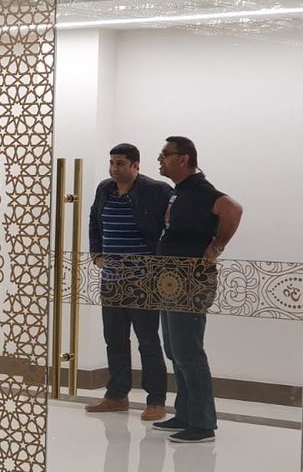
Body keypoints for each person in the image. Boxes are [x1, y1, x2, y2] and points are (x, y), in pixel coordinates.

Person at [152, 136, 242, 443]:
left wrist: (216, 247)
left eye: (166, 154)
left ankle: (203, 424)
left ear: (184, 158)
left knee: (188, 350)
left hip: (190, 281)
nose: (160, 159)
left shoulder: (202, 191)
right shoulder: (181, 192)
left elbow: (233, 209)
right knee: (174, 349)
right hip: (171, 280)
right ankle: (186, 413)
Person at [85, 143, 172, 421]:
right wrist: (96, 253)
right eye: (112, 162)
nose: (114, 168)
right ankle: (116, 395)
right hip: (111, 279)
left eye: (120, 163)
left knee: (147, 341)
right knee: (114, 339)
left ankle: (156, 401)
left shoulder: (156, 190)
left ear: (136, 164)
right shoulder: (105, 189)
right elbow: (94, 222)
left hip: (143, 280)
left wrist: (158, 263)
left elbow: (170, 227)